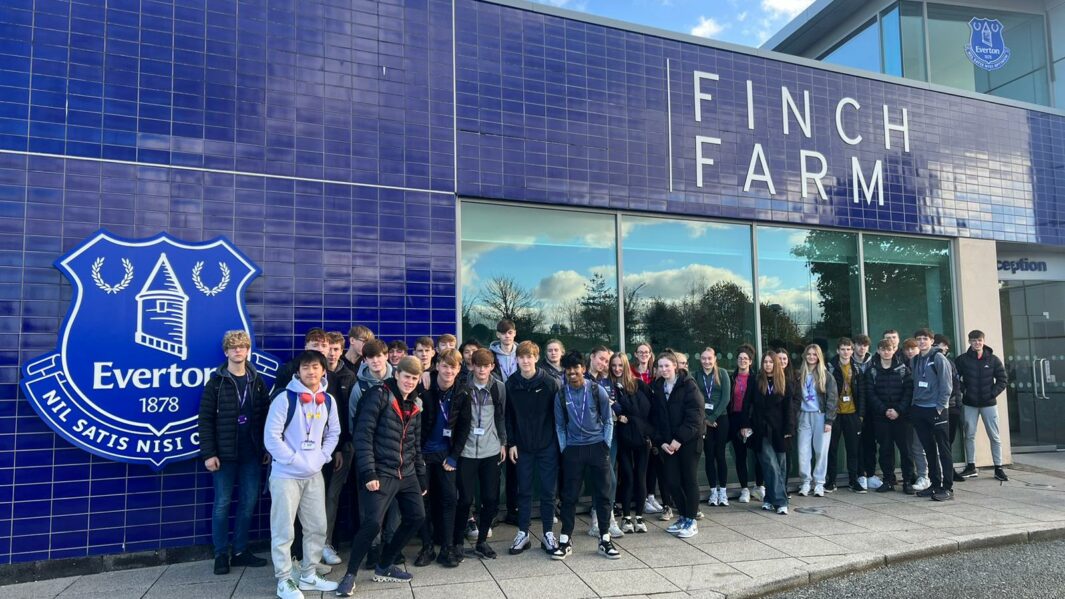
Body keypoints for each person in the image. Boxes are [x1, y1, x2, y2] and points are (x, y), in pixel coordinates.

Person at [336, 357, 428, 597]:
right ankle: (349, 576)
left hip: (407, 472)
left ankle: (385, 565)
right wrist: (369, 472)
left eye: (414, 378)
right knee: (373, 523)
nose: (409, 382)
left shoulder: (415, 404)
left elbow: (415, 443)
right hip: (380, 471)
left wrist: (421, 476)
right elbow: (362, 436)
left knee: (416, 517)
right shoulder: (378, 395)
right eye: (406, 376)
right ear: (396, 374)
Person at [264, 350, 340, 599]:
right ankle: (284, 579)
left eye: (315, 367)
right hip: (286, 475)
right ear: (298, 371)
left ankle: (308, 575)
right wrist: (295, 460)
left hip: (314, 474)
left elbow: (334, 432)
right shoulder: (284, 399)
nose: (311, 371)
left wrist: (322, 457)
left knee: (317, 526)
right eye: (306, 367)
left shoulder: (328, 400)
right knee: (284, 530)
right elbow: (271, 438)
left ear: (323, 371)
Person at [198, 330, 271, 575]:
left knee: (248, 503)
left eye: (242, 347)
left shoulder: (256, 381)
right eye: (233, 347)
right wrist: (209, 453)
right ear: (226, 352)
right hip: (224, 455)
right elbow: (205, 420)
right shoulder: (216, 383)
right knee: (222, 504)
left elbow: (265, 417)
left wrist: (265, 448)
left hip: (251, 454)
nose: (238, 351)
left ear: (248, 350)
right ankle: (221, 554)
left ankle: (240, 551)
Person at [552, 351, 619, 560]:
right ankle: (565, 540)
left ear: (583, 368)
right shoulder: (561, 395)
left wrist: (605, 446)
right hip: (573, 449)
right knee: (569, 496)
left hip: (597, 447)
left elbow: (608, 420)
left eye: (576, 368)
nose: (572, 372)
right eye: (568, 369)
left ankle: (605, 539)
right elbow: (559, 426)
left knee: (603, 495)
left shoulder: (597, 390)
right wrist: (565, 449)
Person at [414, 349, 471, 568]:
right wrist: (416, 456)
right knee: (423, 500)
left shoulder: (463, 393)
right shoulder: (423, 387)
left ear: (459, 369)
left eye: (453, 367)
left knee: (449, 499)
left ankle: (447, 547)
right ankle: (427, 546)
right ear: (437, 366)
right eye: (445, 366)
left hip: (446, 455)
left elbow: (464, 427)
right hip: (422, 454)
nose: (448, 371)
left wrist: (455, 456)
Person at [505, 341, 561, 554]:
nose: (525, 361)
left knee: (548, 491)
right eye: (521, 357)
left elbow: (558, 416)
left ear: (536, 358)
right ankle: (523, 533)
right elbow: (508, 417)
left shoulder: (550, 383)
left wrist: (558, 444)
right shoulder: (511, 384)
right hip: (522, 447)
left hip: (547, 446)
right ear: (516, 360)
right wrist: (511, 443)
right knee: (524, 491)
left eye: (529, 357)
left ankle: (548, 533)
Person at [346, 339, 394, 568]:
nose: (376, 361)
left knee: (394, 503)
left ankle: (390, 545)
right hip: (369, 455)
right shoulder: (359, 387)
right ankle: (373, 548)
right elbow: (353, 423)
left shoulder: (398, 381)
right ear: (364, 360)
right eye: (370, 357)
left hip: (394, 453)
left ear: (387, 356)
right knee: (370, 505)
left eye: (379, 355)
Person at [454, 348, 507, 558]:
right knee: (465, 500)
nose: (482, 370)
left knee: (490, 498)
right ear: (472, 366)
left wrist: (503, 442)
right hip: (466, 451)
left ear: (492, 366)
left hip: (490, 450)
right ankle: (457, 543)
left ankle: (482, 541)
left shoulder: (498, 387)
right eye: (478, 366)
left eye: (486, 366)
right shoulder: (462, 386)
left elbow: (501, 416)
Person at [649, 351, 705, 538]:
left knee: (689, 480)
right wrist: (662, 442)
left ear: (675, 366)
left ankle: (691, 520)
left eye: (667, 365)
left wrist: (679, 439)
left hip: (689, 441)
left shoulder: (688, 385)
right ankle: (682, 516)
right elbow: (655, 418)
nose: (664, 369)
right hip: (668, 444)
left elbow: (696, 416)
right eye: (660, 366)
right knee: (672, 481)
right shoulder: (657, 387)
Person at [742, 352, 795, 515]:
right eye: (765, 362)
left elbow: (789, 408)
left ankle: (769, 499)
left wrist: (789, 429)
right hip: (761, 429)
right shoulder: (755, 380)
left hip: (780, 430)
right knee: (770, 464)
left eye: (771, 362)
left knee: (780, 466)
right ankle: (781, 502)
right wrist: (745, 425)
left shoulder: (785, 382)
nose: (768, 364)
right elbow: (746, 404)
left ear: (776, 364)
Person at [321, 331, 357, 566]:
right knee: (314, 497)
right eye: (329, 349)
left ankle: (327, 543)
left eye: (336, 349)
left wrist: (342, 448)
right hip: (315, 449)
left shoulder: (349, 377)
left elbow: (348, 416)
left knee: (332, 497)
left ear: (342, 350)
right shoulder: (315, 374)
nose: (332, 353)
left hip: (341, 448)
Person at [955, 330, 1009, 481]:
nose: (977, 343)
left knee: (994, 436)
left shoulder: (993, 360)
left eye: (979, 340)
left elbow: (1002, 379)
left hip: (989, 404)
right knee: (969, 435)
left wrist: (992, 393)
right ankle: (971, 466)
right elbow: (954, 378)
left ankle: (998, 468)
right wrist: (965, 391)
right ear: (969, 342)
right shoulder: (962, 360)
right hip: (970, 403)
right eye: (973, 340)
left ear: (983, 341)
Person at [909, 329, 955, 501]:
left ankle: (947, 487)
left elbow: (947, 385)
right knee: (928, 449)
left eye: (925, 339)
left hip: (936, 410)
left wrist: (940, 407)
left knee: (943, 449)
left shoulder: (939, 358)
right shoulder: (915, 360)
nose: (921, 342)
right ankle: (934, 484)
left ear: (931, 340)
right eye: (919, 339)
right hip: (919, 409)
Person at [864, 339, 914, 493]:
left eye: (889, 349)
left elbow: (908, 392)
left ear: (894, 350)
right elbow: (870, 394)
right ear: (878, 351)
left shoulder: (903, 369)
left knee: (906, 451)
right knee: (885, 450)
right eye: (883, 349)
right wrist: (884, 410)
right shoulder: (871, 371)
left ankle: (907, 481)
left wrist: (898, 410)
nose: (886, 352)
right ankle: (888, 480)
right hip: (881, 417)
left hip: (902, 417)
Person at [610, 352, 651, 532]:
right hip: (622, 437)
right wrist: (619, 414)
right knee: (627, 476)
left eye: (620, 365)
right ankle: (626, 517)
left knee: (640, 476)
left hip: (641, 437)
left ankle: (639, 517)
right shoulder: (609, 387)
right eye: (614, 365)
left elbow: (649, 411)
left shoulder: (639, 385)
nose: (617, 369)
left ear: (626, 365)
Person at [584, 346, 623, 538]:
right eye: (601, 359)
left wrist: (612, 405)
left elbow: (619, 406)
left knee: (609, 477)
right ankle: (598, 519)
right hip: (590, 435)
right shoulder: (581, 378)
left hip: (609, 432)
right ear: (592, 356)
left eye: (607, 361)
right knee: (602, 478)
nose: (604, 364)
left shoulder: (608, 380)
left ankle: (607, 518)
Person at [795, 344, 837, 498]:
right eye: (809, 354)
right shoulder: (799, 375)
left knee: (821, 451)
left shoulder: (826, 376)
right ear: (805, 356)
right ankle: (805, 482)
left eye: (814, 354)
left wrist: (829, 420)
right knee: (803, 451)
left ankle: (819, 483)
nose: (811, 357)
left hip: (821, 416)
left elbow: (833, 399)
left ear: (819, 357)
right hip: (804, 416)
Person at [826, 338, 865, 493]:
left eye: (848, 349)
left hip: (852, 414)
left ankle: (853, 481)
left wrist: (860, 415)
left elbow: (862, 393)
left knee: (853, 449)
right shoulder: (830, 367)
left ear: (852, 351)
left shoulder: (857, 368)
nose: (846, 352)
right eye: (843, 349)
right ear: (838, 351)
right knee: (832, 449)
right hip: (835, 414)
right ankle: (831, 481)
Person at [694, 347, 731, 507]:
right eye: (704, 358)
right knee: (709, 455)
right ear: (700, 359)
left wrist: (714, 416)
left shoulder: (722, 373)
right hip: (704, 420)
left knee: (720, 455)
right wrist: (706, 419)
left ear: (715, 359)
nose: (707, 361)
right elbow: (695, 398)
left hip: (721, 418)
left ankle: (723, 492)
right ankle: (713, 492)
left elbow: (726, 397)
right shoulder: (696, 375)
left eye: (709, 358)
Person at [729, 345, 763, 503]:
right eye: (740, 358)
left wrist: (748, 424)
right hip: (735, 419)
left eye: (746, 359)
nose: (742, 361)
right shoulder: (732, 378)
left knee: (757, 455)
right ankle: (744, 489)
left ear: (750, 361)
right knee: (740, 455)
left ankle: (759, 486)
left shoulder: (755, 379)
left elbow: (755, 403)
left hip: (751, 420)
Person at [899, 338, 930, 493]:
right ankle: (921, 475)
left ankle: (931, 476)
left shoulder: (928, 363)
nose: (910, 351)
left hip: (927, 409)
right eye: (907, 349)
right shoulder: (902, 366)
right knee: (914, 447)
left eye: (913, 348)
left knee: (927, 445)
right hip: (908, 412)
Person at [934, 334, 965, 482]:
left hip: (954, 407)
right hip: (941, 407)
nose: (938, 347)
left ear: (946, 347)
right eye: (936, 345)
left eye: (941, 344)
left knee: (949, 441)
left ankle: (949, 470)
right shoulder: (933, 361)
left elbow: (955, 384)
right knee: (941, 442)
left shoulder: (950, 362)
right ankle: (942, 472)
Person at [854, 334, 880, 490]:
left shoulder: (874, 362)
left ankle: (870, 474)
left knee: (871, 443)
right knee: (857, 444)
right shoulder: (849, 362)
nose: (862, 348)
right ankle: (860, 474)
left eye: (865, 345)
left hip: (872, 409)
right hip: (854, 408)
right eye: (859, 345)